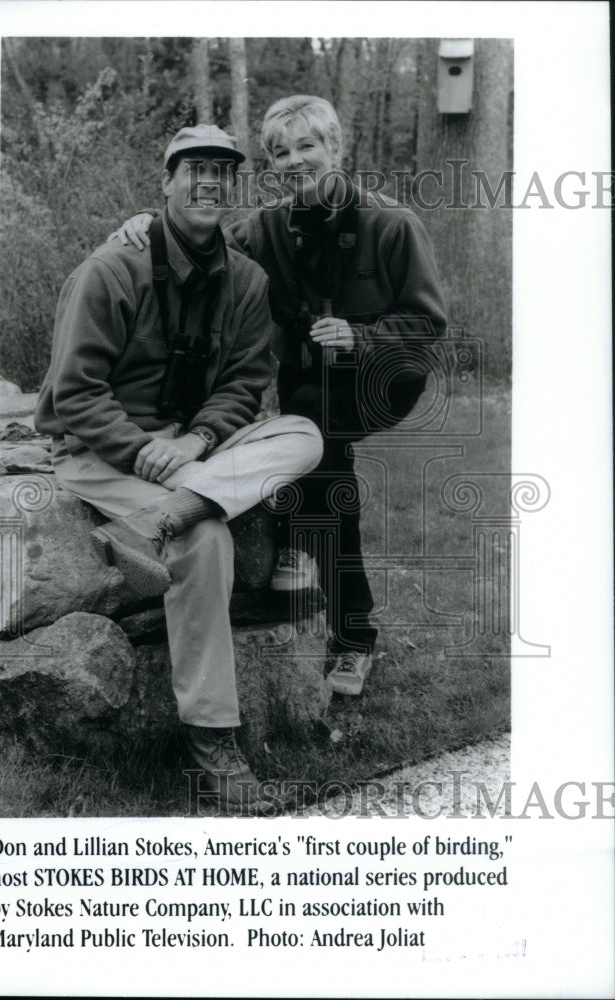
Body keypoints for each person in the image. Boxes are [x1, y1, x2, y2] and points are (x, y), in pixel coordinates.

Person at [110, 95, 447, 699]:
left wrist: (361, 334)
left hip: (384, 377)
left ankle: (308, 565)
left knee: (314, 421)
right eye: (280, 152)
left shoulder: (392, 223)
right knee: (320, 449)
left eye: (307, 147)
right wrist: (145, 225)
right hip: (307, 388)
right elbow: (203, 243)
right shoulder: (266, 227)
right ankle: (353, 633)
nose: (295, 161)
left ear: (336, 148)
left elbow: (428, 326)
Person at [35, 124, 323, 814]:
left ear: (234, 188)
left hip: (188, 451)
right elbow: (74, 394)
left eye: (222, 172)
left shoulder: (245, 278)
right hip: (102, 452)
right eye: (193, 169)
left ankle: (165, 514)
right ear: (166, 182)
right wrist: (140, 452)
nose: (208, 182)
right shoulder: (111, 268)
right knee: (205, 538)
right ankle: (212, 744)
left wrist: (198, 440)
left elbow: (247, 382)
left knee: (305, 435)